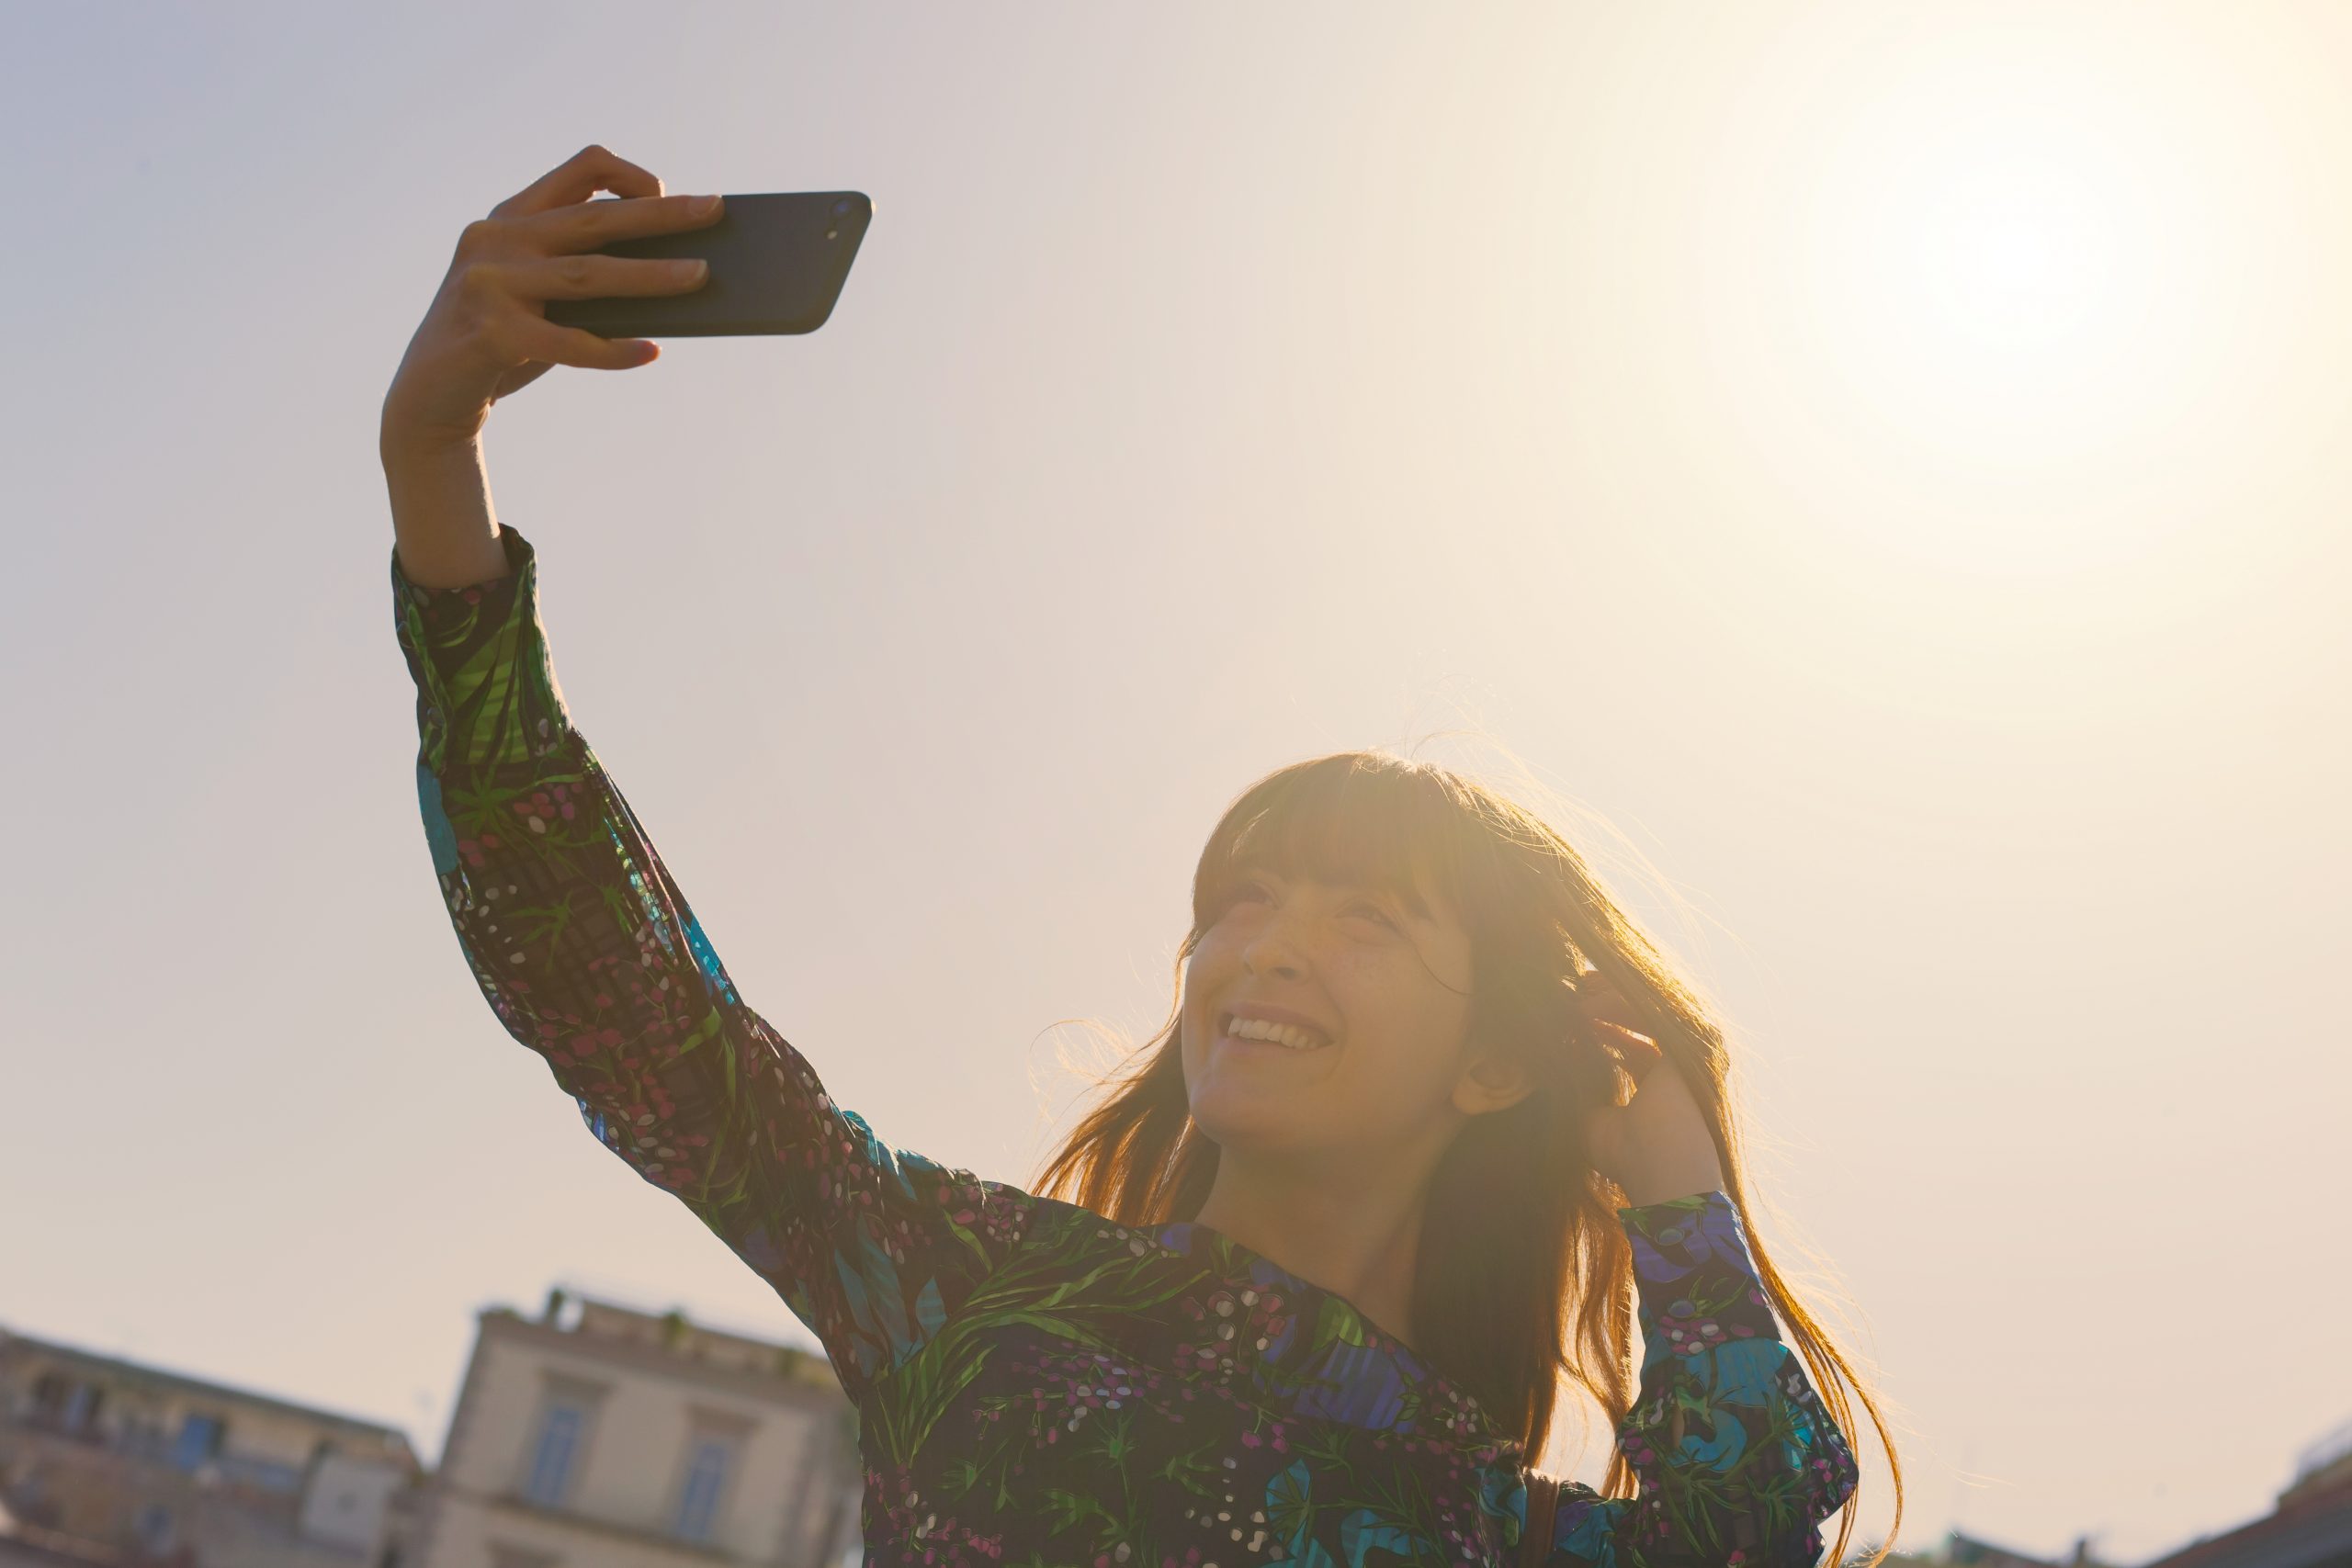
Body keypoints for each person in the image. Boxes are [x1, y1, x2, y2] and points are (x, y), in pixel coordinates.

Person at [382, 145, 1898, 1567]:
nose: (1266, 945)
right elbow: (618, 995)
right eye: (1243, 900)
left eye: (1366, 916)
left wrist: (1677, 1189)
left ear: (1494, 1062)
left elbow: (1747, 1535)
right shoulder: (968, 1293)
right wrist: (434, 458)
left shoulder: (1481, 1517)